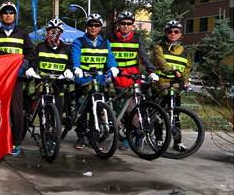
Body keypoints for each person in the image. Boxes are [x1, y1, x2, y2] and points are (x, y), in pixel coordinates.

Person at [0, 2, 36, 156]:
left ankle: (16, 142)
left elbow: (30, 53)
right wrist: (10, 63)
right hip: (0, 78)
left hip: (16, 77)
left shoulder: (23, 33)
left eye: (11, 12)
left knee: (16, 111)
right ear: (0, 16)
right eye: (5, 12)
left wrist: (24, 65)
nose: (8, 15)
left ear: (15, 15)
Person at [107, 11, 159, 150]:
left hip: (133, 78)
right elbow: (106, 56)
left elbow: (143, 57)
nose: (126, 26)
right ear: (118, 24)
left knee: (132, 108)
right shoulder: (110, 38)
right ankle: (131, 133)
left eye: (129, 23)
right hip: (117, 77)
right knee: (123, 109)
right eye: (123, 23)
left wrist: (151, 71)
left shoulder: (136, 38)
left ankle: (137, 134)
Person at [71, 13, 119, 150]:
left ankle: (94, 138)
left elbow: (109, 57)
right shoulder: (79, 41)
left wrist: (113, 67)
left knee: (97, 110)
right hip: (84, 80)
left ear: (100, 27)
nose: (93, 27)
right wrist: (76, 67)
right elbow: (76, 55)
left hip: (99, 81)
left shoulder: (105, 42)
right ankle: (81, 135)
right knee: (82, 109)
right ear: (86, 26)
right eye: (91, 25)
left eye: (96, 25)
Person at [27, 18, 74, 116]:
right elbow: (35, 60)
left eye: (57, 30)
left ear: (61, 32)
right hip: (42, 80)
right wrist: (31, 68)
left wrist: (68, 70)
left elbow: (69, 63)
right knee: (41, 108)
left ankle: (56, 124)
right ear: (47, 31)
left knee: (59, 109)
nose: (54, 32)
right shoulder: (40, 47)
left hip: (58, 81)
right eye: (52, 30)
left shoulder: (66, 48)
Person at [151, 20, 192, 99]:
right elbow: (161, 64)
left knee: (176, 106)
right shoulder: (159, 48)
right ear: (166, 34)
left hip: (177, 87)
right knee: (160, 106)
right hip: (161, 86)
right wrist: (172, 71)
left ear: (180, 34)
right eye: (170, 32)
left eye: (176, 32)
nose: (173, 34)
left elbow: (187, 69)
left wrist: (186, 82)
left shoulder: (185, 51)